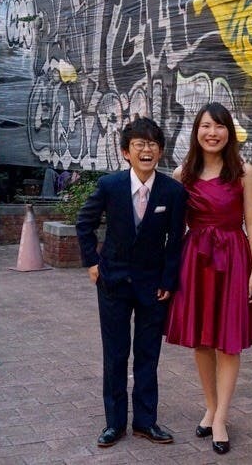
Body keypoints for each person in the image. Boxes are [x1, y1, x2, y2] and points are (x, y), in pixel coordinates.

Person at [164, 102, 252, 455]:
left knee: (228, 342)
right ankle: (210, 407)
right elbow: (172, 227)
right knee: (201, 341)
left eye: (219, 126)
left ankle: (221, 417)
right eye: (206, 126)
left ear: (229, 132)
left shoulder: (243, 172)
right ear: (197, 131)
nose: (213, 133)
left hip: (233, 260)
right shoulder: (182, 174)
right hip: (195, 260)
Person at [76, 117, 187, 448]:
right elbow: (84, 223)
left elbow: (175, 241)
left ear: (160, 151)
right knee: (115, 354)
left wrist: (168, 280)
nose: (146, 150)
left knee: (147, 355)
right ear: (126, 152)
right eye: (139, 144)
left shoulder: (172, 191)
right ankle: (114, 424)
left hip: (154, 286)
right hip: (113, 282)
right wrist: (92, 263)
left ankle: (145, 422)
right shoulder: (110, 186)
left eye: (152, 144)